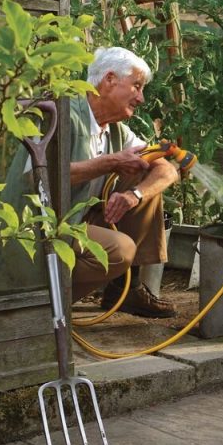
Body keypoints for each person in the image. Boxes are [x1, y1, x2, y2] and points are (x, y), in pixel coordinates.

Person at [68, 46, 179, 318]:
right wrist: (111, 162)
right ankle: (46, 304)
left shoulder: (116, 130)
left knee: (146, 175)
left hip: (82, 220)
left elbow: (167, 171)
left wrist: (134, 196)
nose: (141, 98)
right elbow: (46, 175)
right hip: (47, 226)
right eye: (137, 87)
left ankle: (124, 290)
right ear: (109, 80)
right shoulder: (67, 116)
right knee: (120, 250)